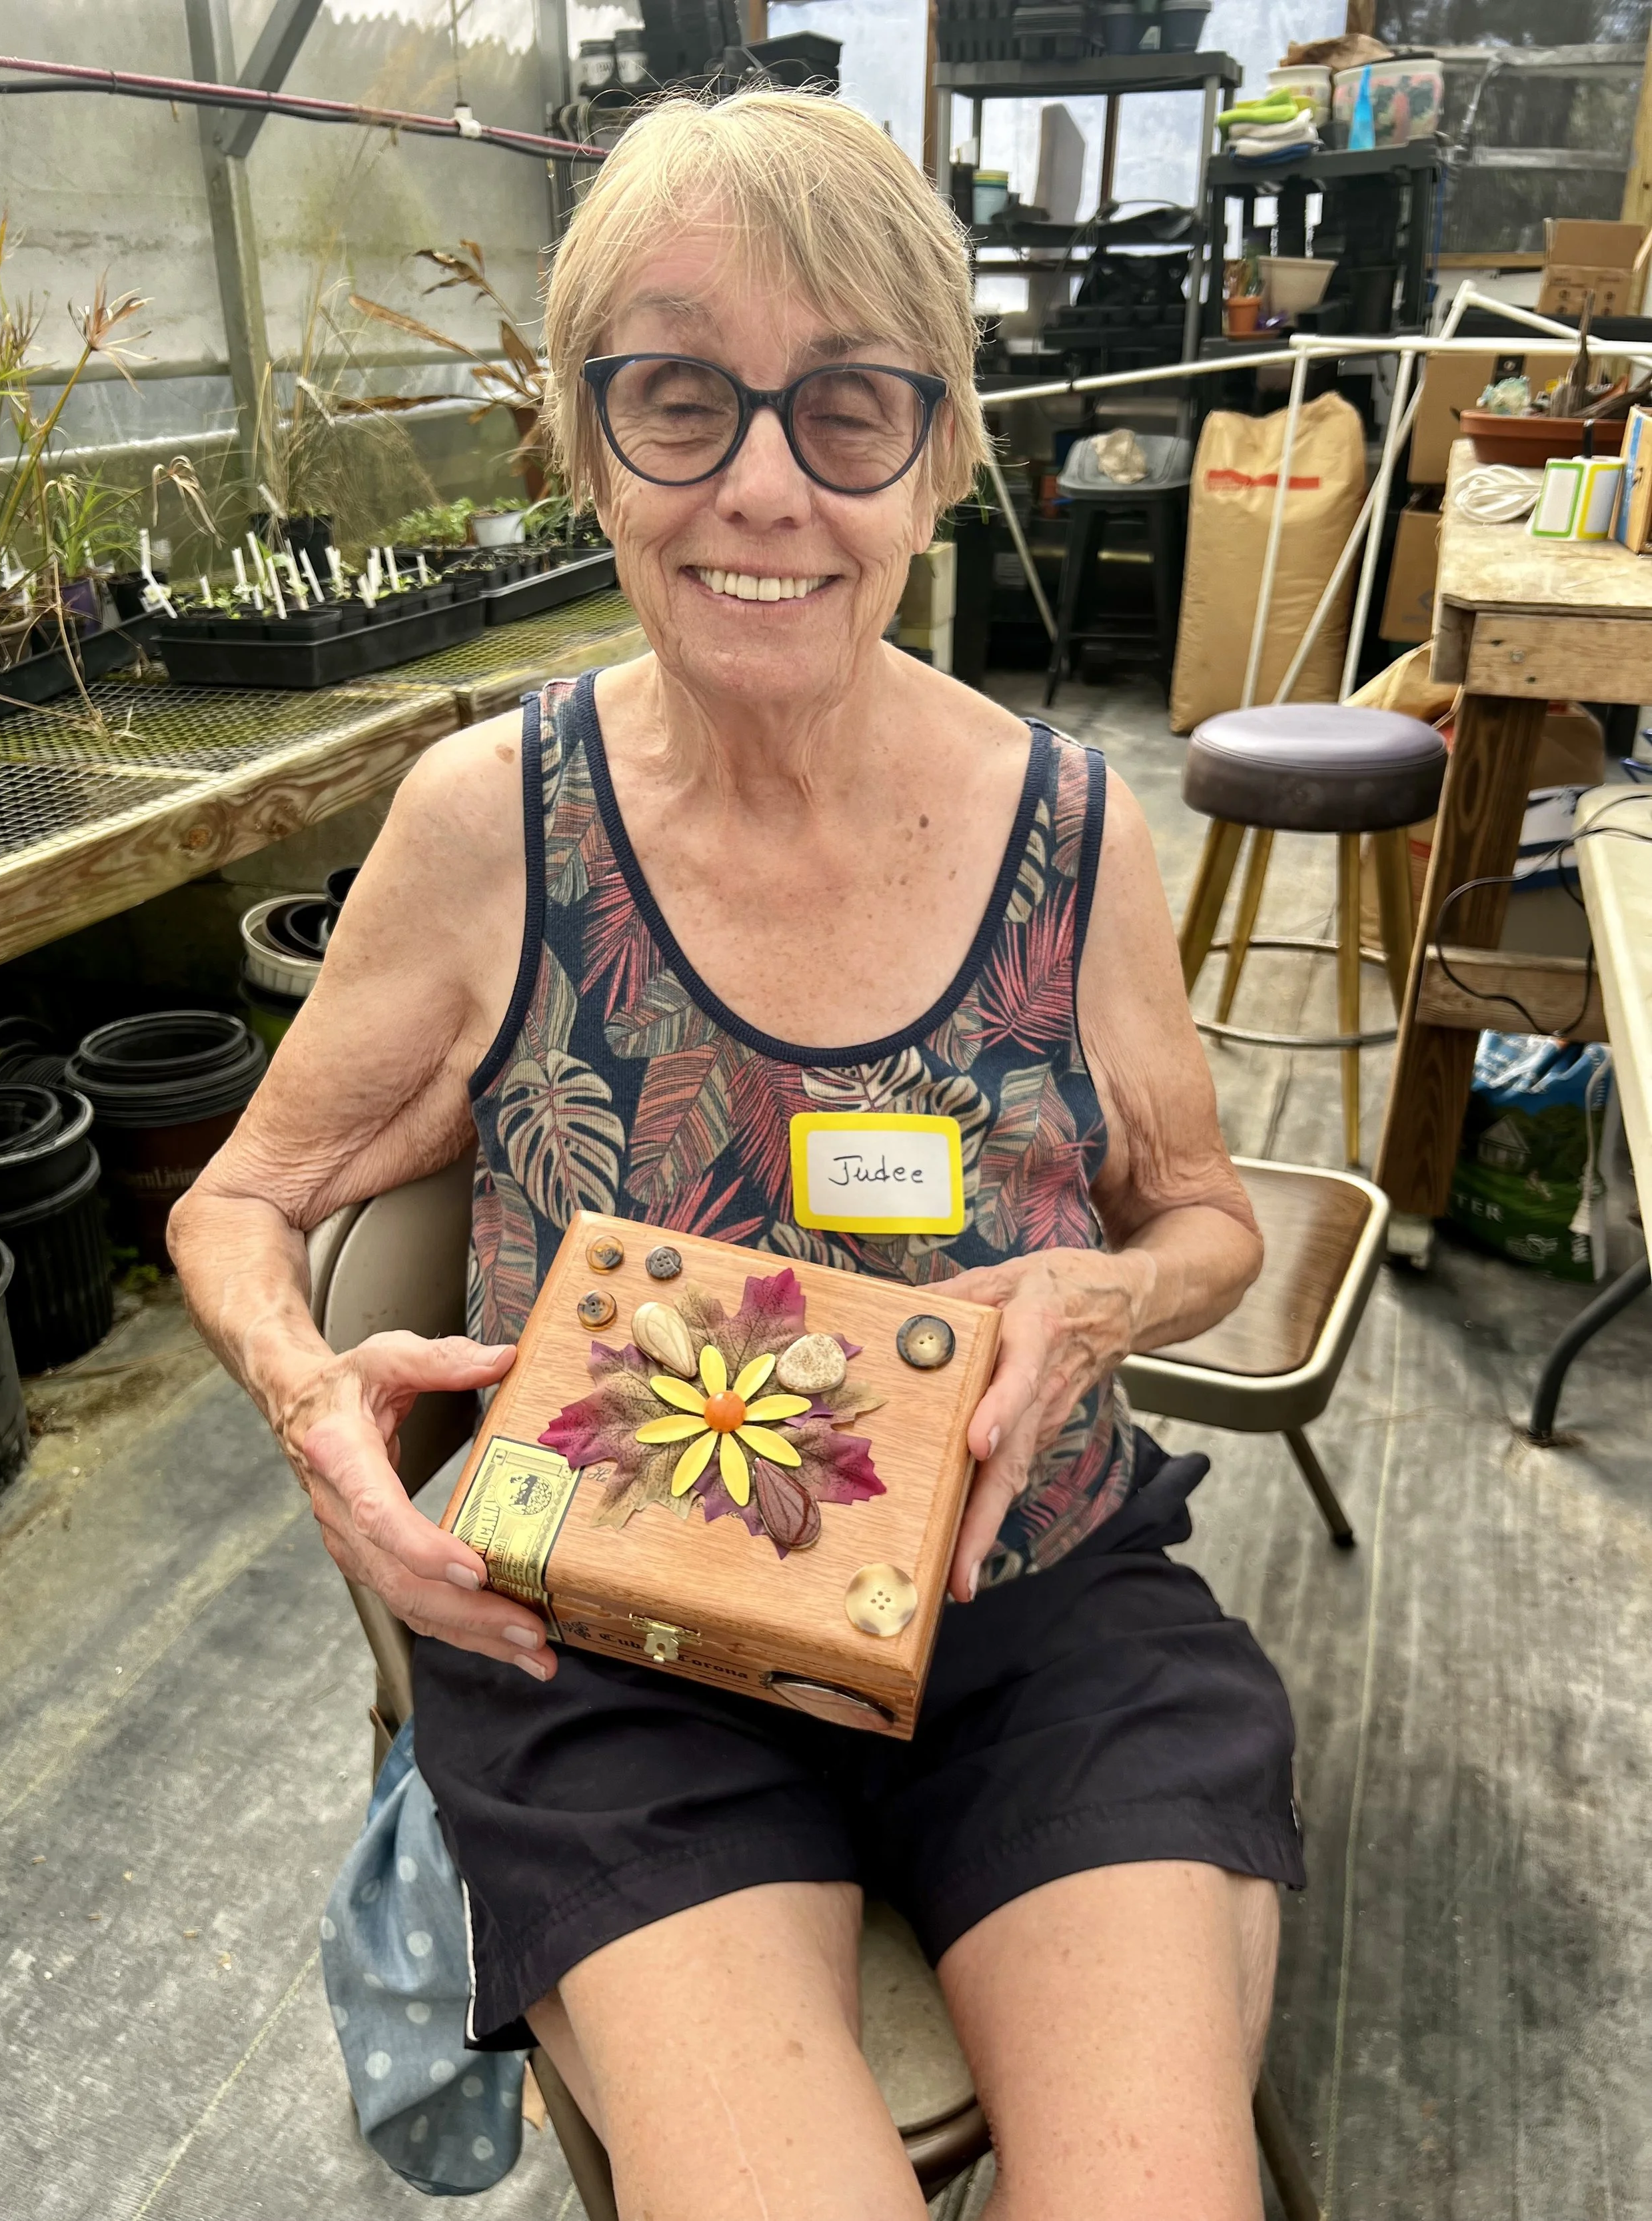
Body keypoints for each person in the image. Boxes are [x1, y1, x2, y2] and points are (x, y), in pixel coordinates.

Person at [170, 89, 1303, 2221]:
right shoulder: (489, 824)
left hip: (1032, 1619)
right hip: (618, 1661)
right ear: (586, 443)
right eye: (680, 397)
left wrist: (1110, 1293)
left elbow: (1208, 1218)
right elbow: (241, 1196)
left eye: (849, 404)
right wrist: (319, 1412)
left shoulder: (1074, 832)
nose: (763, 485)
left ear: (943, 451)